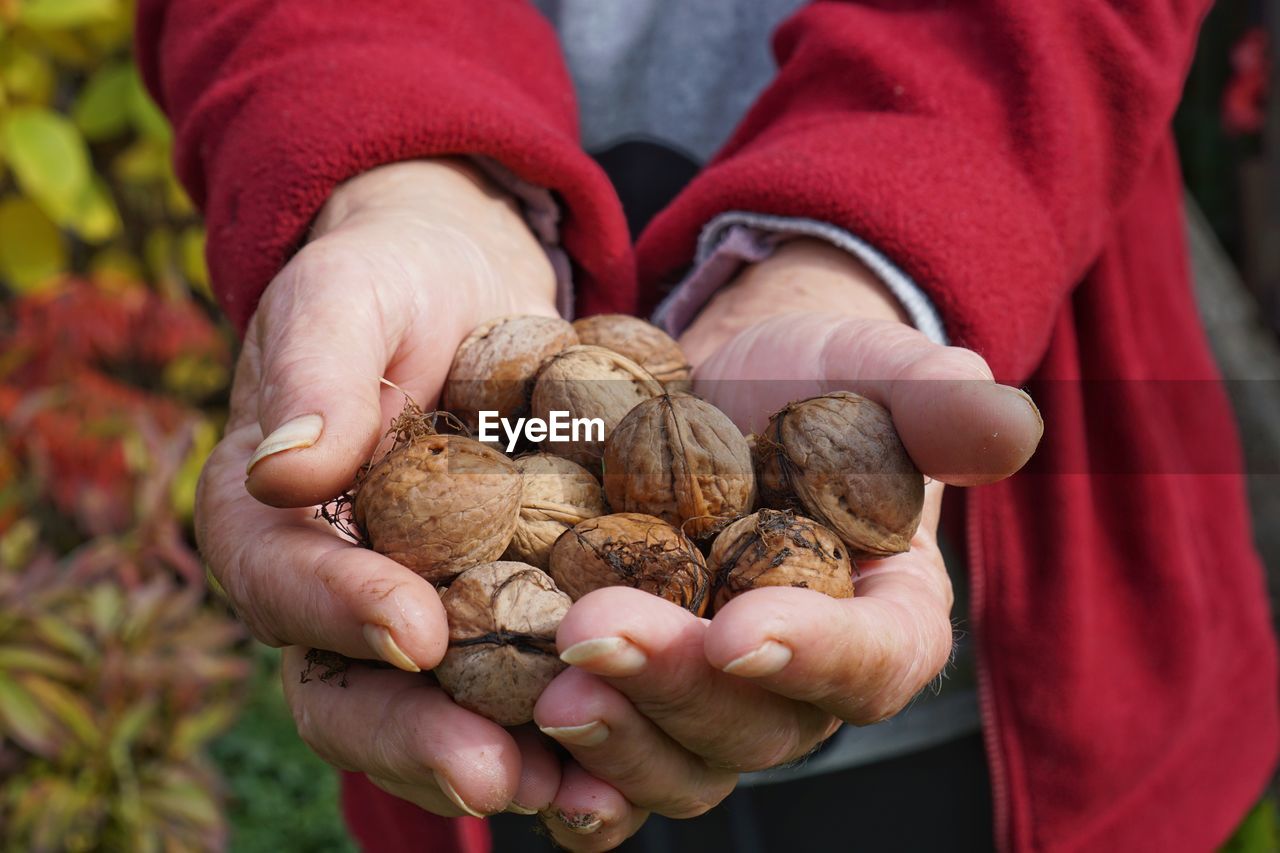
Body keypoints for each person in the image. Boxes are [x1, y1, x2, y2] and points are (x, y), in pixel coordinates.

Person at [138, 1, 1278, 850]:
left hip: (1022, 700)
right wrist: (397, 178)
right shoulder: (533, 460)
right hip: (490, 747)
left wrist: (873, 247)